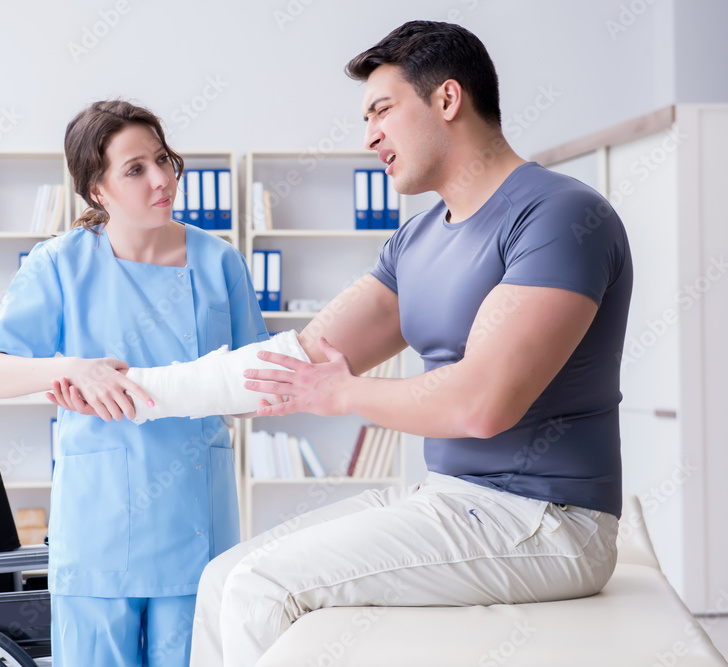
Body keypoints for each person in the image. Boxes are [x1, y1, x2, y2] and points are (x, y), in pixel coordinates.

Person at [189, 20, 634, 666]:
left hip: (547, 519)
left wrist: (342, 395)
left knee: (261, 588)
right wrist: (139, 389)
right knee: (221, 579)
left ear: (447, 100)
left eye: (381, 110)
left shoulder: (559, 215)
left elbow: (482, 402)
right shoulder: (417, 239)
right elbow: (305, 358)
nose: (369, 134)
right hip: (450, 495)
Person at [0, 99, 268, 667]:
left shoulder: (220, 262)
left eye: (163, 160)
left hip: (196, 523)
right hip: (100, 532)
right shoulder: (60, 264)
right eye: (135, 169)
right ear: (97, 190)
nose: (161, 179)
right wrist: (68, 367)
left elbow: (252, 388)